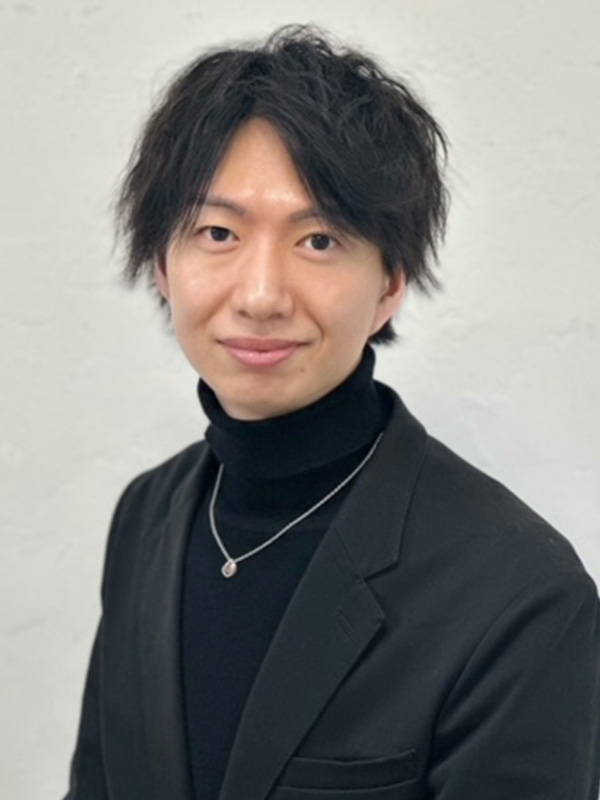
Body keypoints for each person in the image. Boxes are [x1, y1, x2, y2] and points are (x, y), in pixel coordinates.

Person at [63, 24, 600, 800]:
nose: (260, 296)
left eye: (318, 240)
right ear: (162, 266)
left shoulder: (522, 593)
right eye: (218, 232)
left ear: (391, 283)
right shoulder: (145, 516)